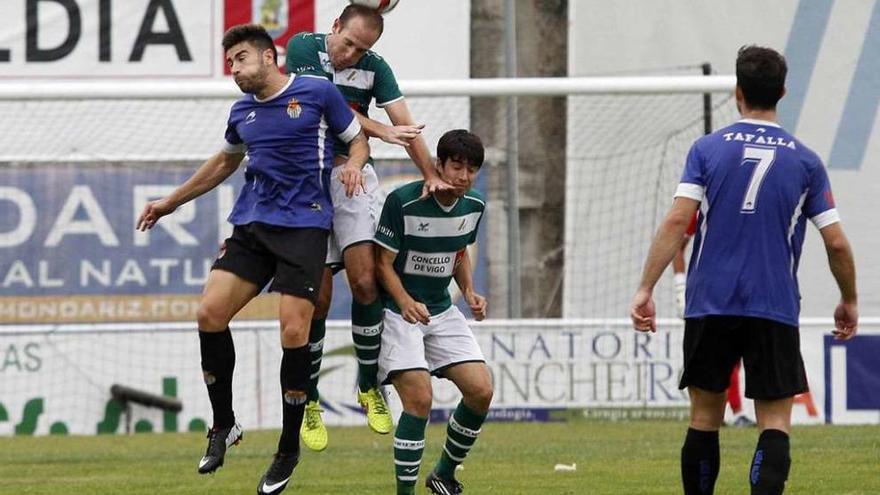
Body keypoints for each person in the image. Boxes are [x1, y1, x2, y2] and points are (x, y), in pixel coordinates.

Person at [136, 24, 368, 495]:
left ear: (268, 57)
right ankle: (224, 424)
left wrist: (353, 165)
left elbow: (358, 139)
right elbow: (225, 163)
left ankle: (287, 448)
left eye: (240, 58)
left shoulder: (318, 93)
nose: (234, 69)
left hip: (305, 226)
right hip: (253, 226)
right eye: (229, 63)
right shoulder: (242, 111)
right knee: (209, 313)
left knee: (293, 331)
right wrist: (170, 202)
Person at [630, 45, 858, 495]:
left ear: (737, 91)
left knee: (704, 419)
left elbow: (678, 220)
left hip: (709, 301)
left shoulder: (707, 149)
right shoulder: (806, 161)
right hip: (772, 304)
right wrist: (849, 298)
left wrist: (645, 288)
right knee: (774, 422)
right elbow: (835, 241)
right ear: (783, 92)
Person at [285, 4, 452, 451]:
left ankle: (367, 385)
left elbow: (406, 125)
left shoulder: (375, 68)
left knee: (364, 281)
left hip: (354, 177)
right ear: (334, 27)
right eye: (348, 43)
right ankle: (312, 400)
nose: (351, 54)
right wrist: (377, 127)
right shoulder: (304, 46)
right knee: (316, 298)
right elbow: (326, 105)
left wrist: (431, 172)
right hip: (308, 180)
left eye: (363, 49)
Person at [374, 130, 492, 495]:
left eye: (471, 170)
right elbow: (382, 263)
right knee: (420, 399)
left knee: (481, 390)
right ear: (438, 164)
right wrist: (405, 301)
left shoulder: (474, 204)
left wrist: (470, 290)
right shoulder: (403, 203)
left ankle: (444, 473)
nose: (463, 176)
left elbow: (458, 253)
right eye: (456, 166)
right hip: (398, 311)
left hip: (441, 310)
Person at [673, 213, 756, 427]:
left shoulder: (748, 208)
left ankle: (732, 414)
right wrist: (680, 289)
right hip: (708, 296)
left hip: (743, 292)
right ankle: (733, 414)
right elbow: (676, 245)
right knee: (719, 358)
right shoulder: (700, 207)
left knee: (734, 357)